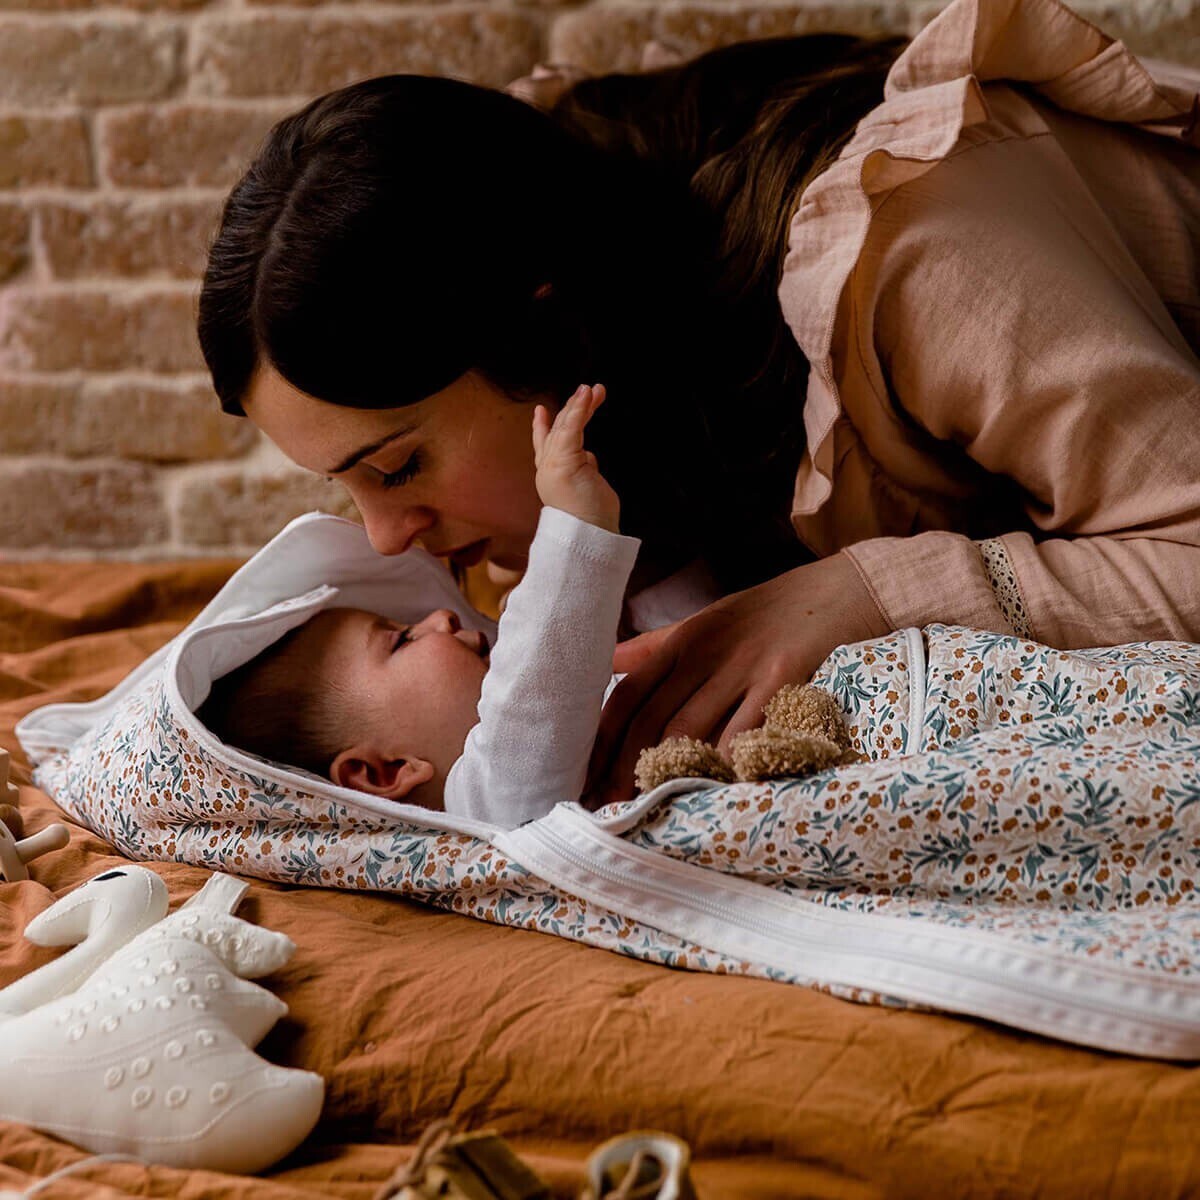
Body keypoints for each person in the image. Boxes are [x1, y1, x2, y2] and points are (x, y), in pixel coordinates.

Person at [197, 0, 1200, 808]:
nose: (385, 541)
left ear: (547, 337)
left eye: (396, 466)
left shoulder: (919, 253)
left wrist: (870, 594)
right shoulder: (582, 293)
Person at [198, 384, 639, 829]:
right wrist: (575, 531)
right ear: (384, 771)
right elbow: (530, 731)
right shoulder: (484, 804)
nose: (440, 617)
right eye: (402, 640)